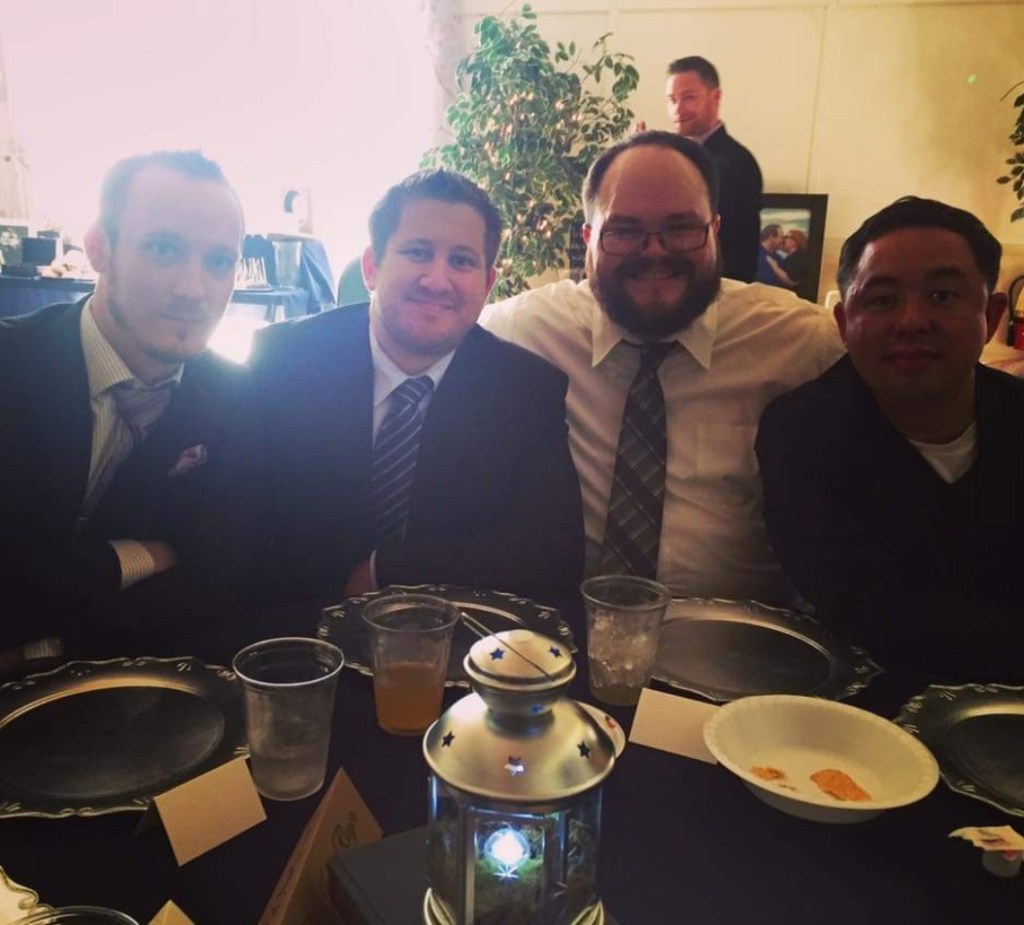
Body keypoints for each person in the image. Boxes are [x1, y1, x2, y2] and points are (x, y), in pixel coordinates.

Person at [482, 131, 843, 603]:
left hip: (739, 638)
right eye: (624, 230)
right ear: (589, 238)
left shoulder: (803, 342)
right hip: (559, 634)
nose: (654, 251)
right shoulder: (522, 330)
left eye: (681, 228)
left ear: (715, 229)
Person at [248, 169, 584, 608]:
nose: (437, 281)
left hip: (451, 631)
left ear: (487, 284)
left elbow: (550, 551)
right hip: (297, 626)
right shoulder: (284, 361)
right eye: (418, 252)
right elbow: (249, 524)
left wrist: (388, 569)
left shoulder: (526, 390)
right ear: (372, 267)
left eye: (461, 261)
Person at [0, 150, 253, 668]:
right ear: (99, 248)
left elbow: (217, 579)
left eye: (218, 261)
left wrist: (47, 645)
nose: (193, 289)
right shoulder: (11, 365)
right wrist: (141, 555)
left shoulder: (236, 397)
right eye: (163, 249)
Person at [756, 196, 1024, 681]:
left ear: (992, 313)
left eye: (942, 296)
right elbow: (869, 610)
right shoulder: (801, 434)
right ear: (843, 324)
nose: (912, 321)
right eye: (882, 300)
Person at [664, 56, 763, 283]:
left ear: (715, 97)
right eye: (672, 99)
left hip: (716, 293)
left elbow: (734, 253)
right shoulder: (677, 158)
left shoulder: (736, 163)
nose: (678, 109)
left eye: (689, 97)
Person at [755, 223, 795, 288]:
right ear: (771, 237)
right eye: (781, 237)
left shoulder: (776, 256)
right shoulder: (758, 257)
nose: (783, 241)